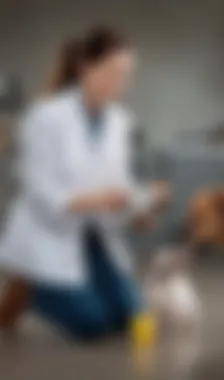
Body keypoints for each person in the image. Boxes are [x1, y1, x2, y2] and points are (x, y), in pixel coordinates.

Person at [0, 26, 168, 340]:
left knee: (128, 318)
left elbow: (118, 182)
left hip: (93, 235)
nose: (120, 83)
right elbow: (39, 190)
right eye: (112, 72)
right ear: (85, 68)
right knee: (93, 325)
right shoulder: (46, 116)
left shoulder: (120, 121)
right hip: (50, 234)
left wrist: (137, 209)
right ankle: (29, 287)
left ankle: (82, 288)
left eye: (125, 75)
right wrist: (96, 200)